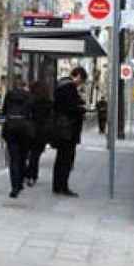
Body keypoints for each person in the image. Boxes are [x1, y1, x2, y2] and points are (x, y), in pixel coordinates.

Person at [52, 67, 87, 197]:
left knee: (60, 158)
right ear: (77, 75)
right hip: (68, 129)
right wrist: (81, 108)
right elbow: (71, 107)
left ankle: (57, 186)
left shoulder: (60, 84)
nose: (80, 83)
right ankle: (63, 186)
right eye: (81, 80)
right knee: (66, 158)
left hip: (60, 128)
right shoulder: (70, 87)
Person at [1, 79, 33, 198]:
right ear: (25, 86)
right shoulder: (29, 96)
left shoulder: (9, 95)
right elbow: (32, 113)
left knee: (14, 158)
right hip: (24, 128)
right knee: (23, 157)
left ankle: (14, 187)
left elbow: (4, 111)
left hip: (11, 127)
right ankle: (20, 183)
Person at [25, 80, 54, 188]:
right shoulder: (49, 102)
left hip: (30, 130)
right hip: (42, 132)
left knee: (29, 154)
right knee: (35, 155)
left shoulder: (30, 101)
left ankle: (29, 174)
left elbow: (26, 114)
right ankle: (32, 176)